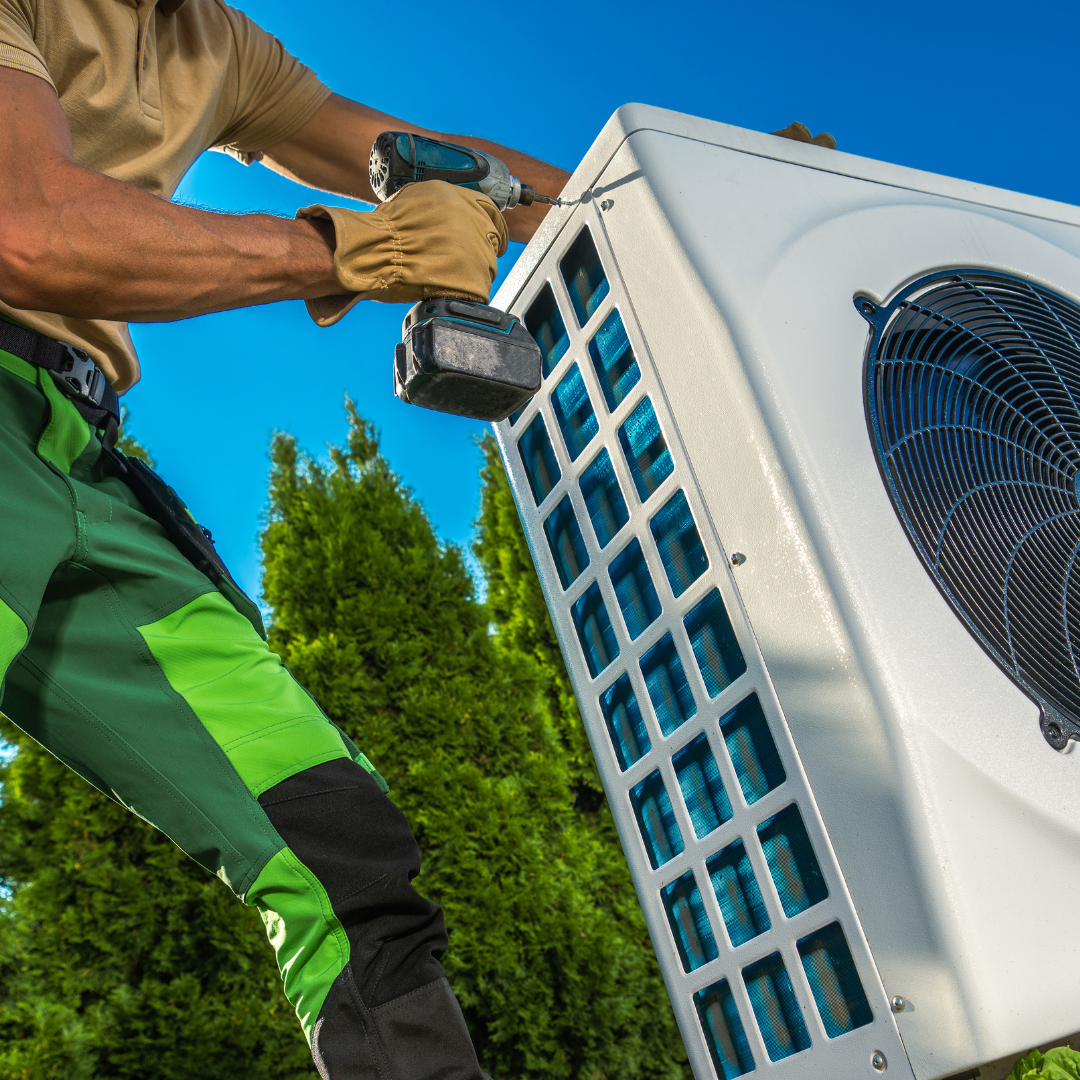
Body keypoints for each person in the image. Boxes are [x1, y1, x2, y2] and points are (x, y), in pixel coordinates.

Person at [0, 2, 567, 1078]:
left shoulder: (216, 43)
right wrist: (347, 249)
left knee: (335, 843)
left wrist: (682, 181)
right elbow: (26, 228)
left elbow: (452, 168)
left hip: (80, 452)